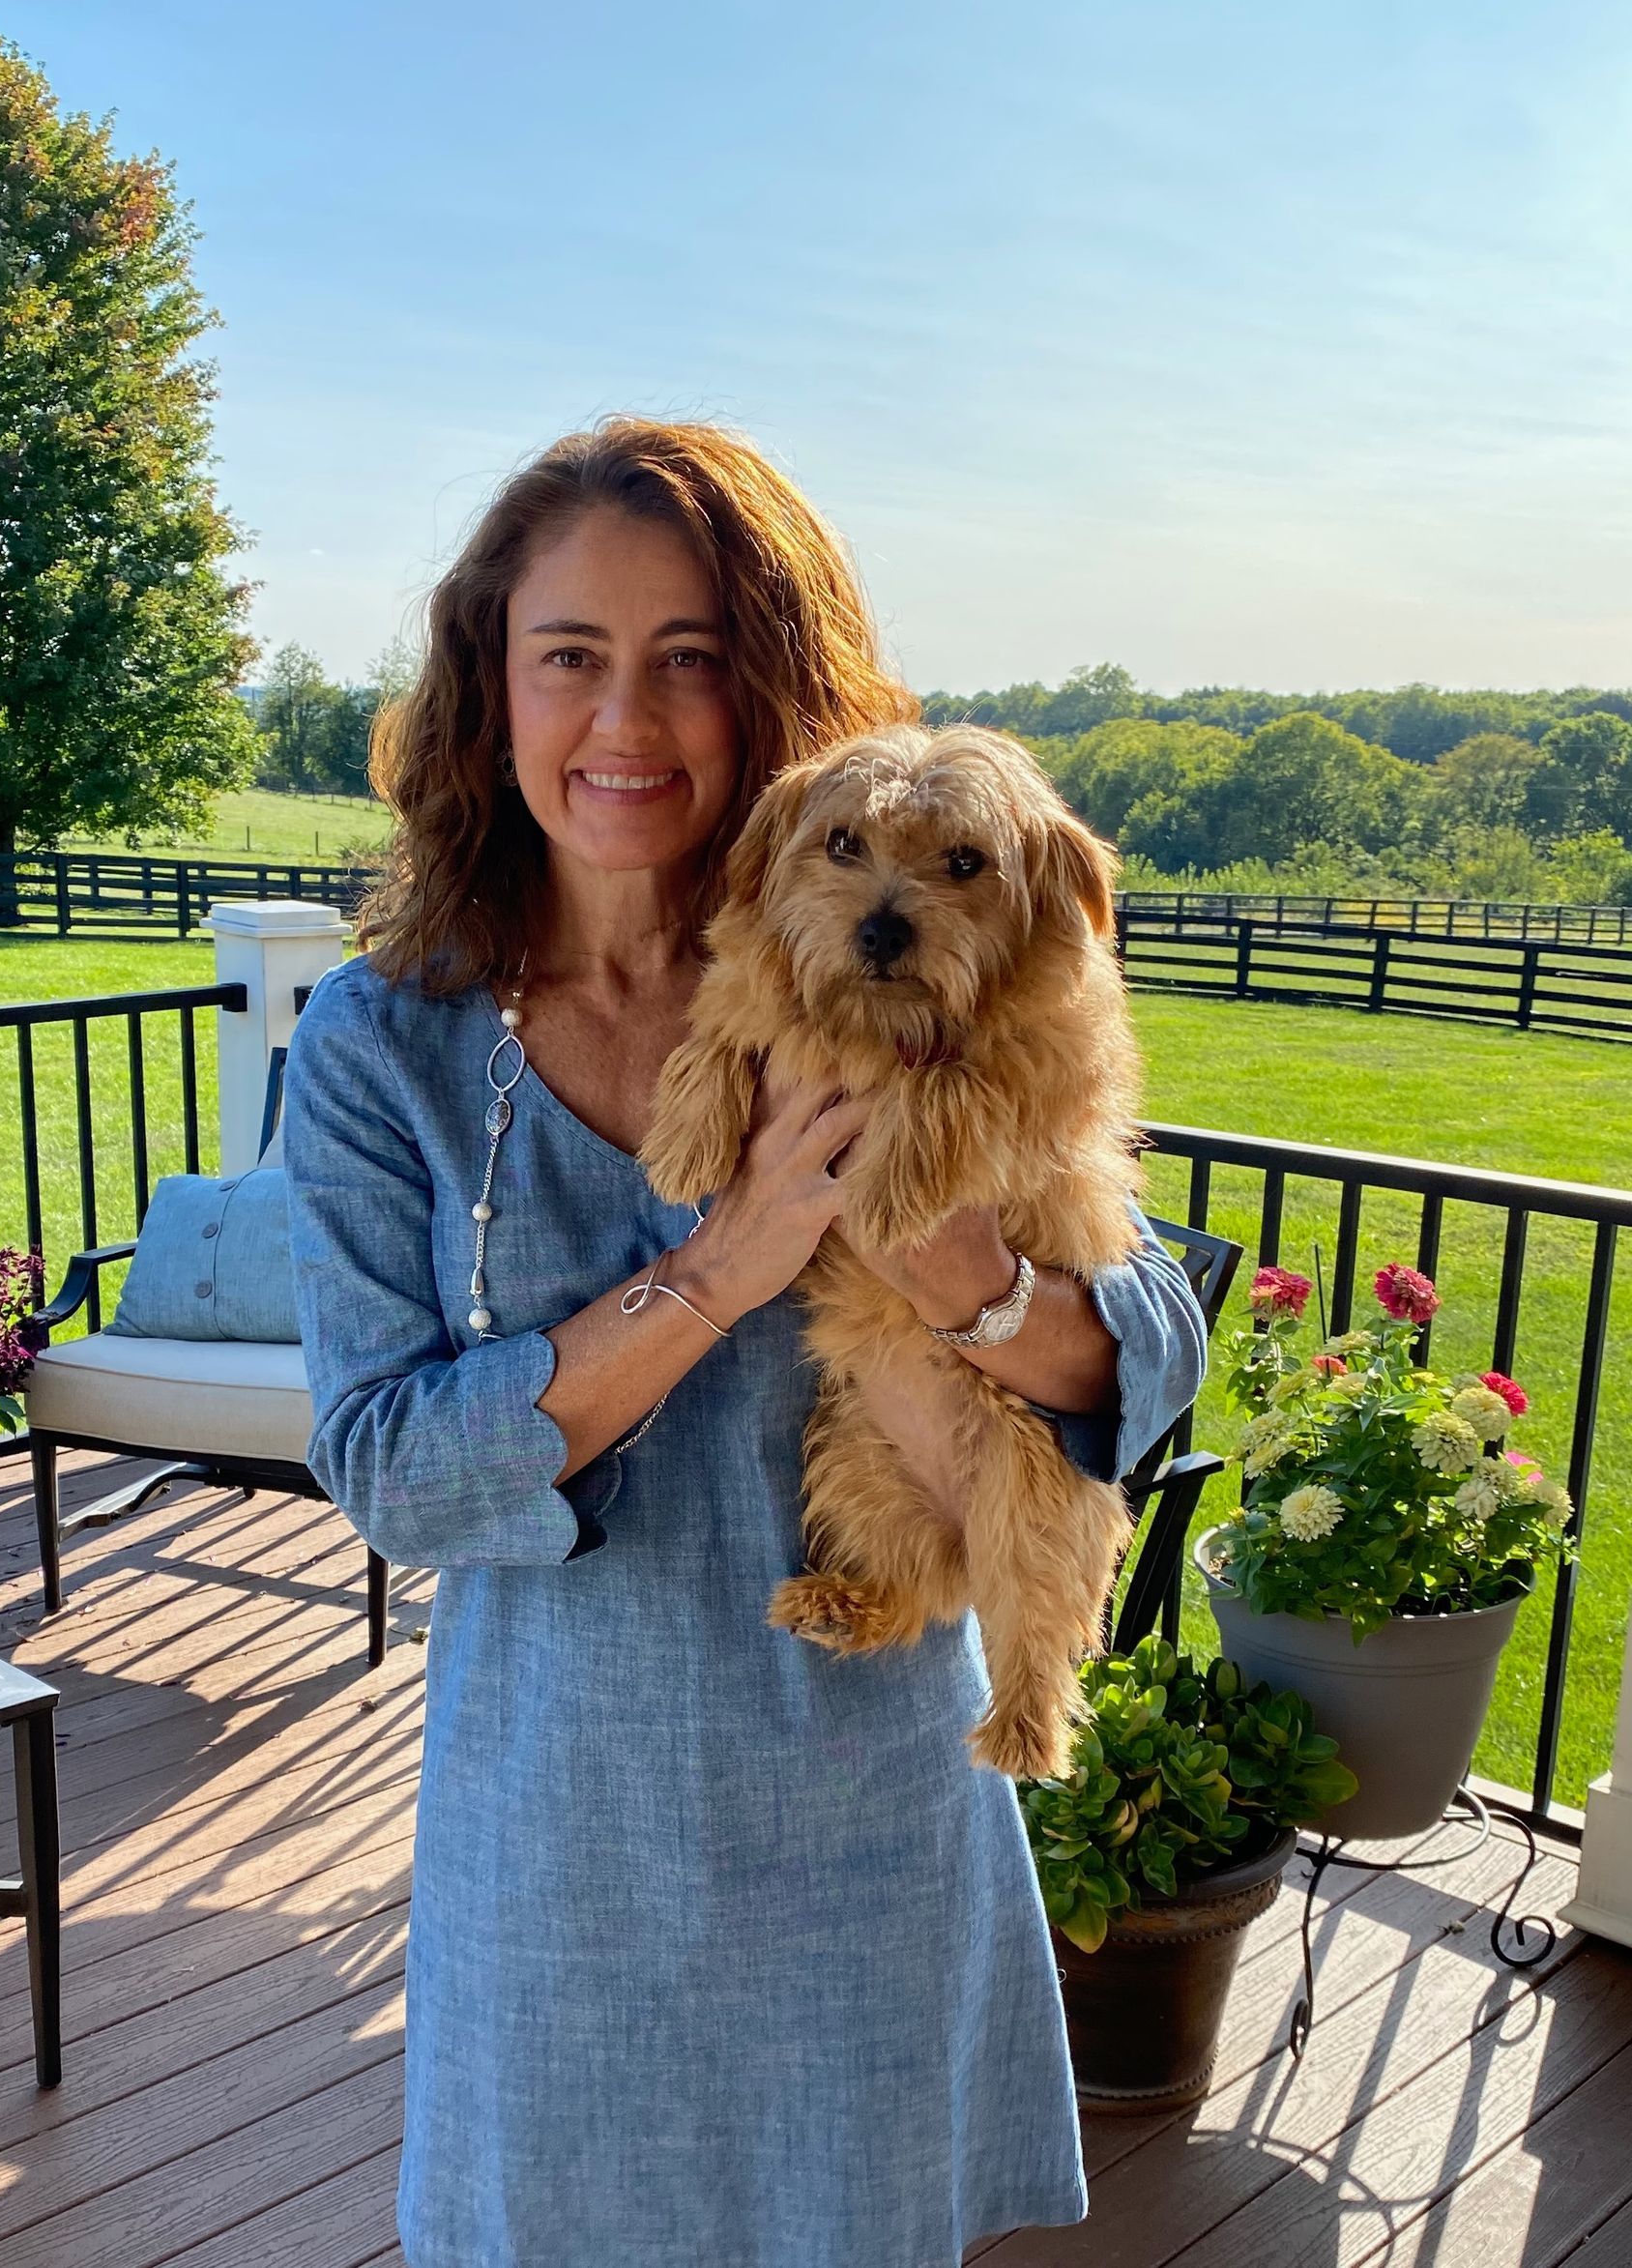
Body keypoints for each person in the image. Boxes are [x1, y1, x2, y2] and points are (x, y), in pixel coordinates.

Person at [282, 417, 1209, 2268]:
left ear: (766, 692)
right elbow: (389, 1467)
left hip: (868, 1804)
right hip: (566, 1825)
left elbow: (1154, 1352)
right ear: (493, 693)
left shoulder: (901, 951)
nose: (626, 716)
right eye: (571, 657)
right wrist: (731, 1257)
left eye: (688, 658)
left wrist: (971, 1287)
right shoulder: (383, 1046)